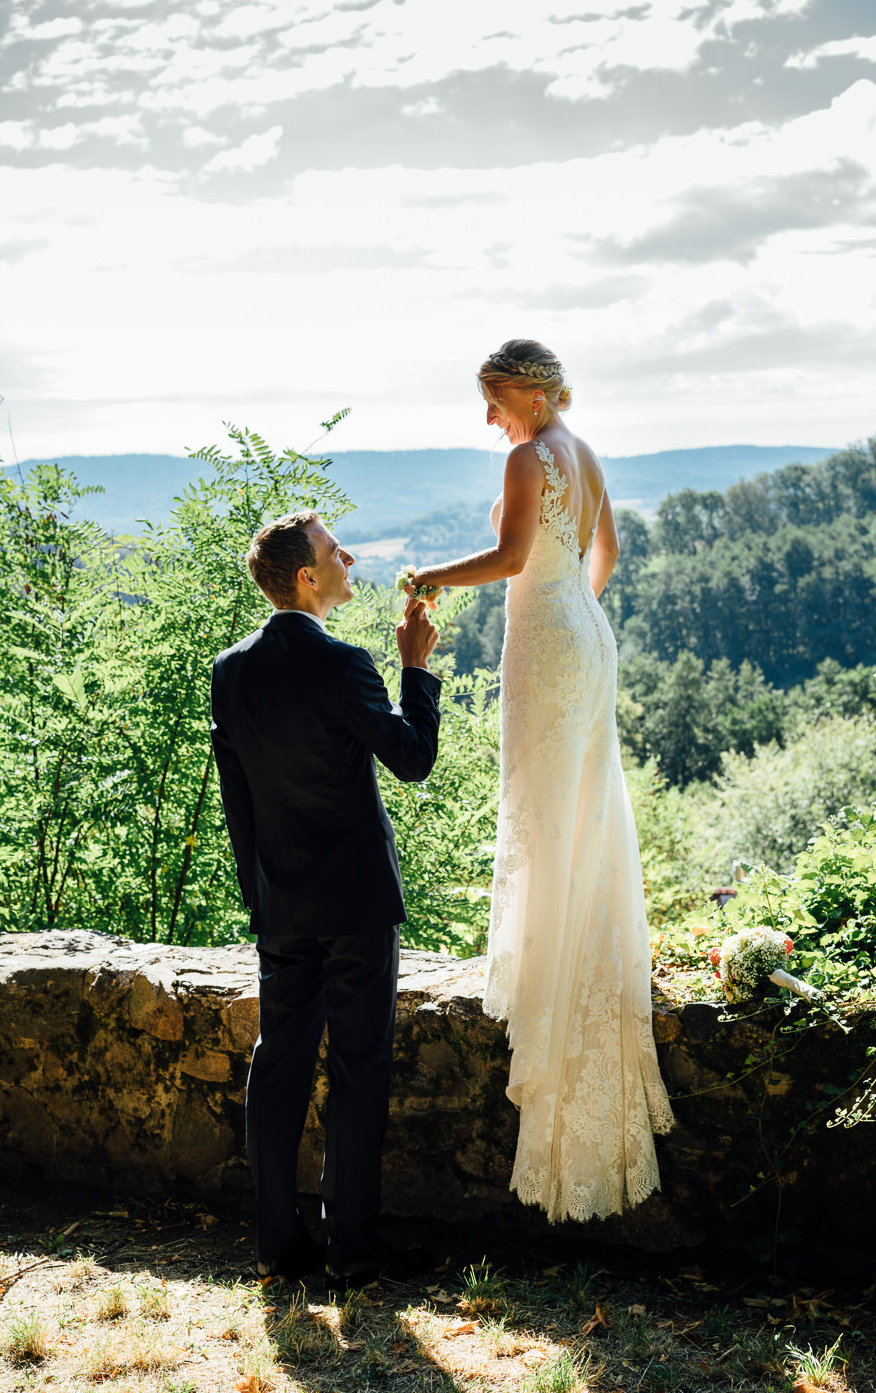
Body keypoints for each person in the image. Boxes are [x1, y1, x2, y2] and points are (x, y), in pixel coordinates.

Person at [405, 339, 673, 1221]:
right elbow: (611, 553)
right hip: (584, 635)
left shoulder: (531, 457)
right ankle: (574, 943)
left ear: (528, 391)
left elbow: (514, 558)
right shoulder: (584, 452)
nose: (489, 419)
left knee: (547, 803)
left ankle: (552, 965)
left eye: (493, 400)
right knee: (581, 803)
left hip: (551, 645)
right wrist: (578, 606)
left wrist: (433, 575)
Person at [210, 509, 441, 1286]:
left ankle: (281, 1244)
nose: (349, 555)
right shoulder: (346, 663)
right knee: (358, 1066)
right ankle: (355, 1249)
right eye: (334, 550)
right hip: (356, 903)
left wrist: (261, 895)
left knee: (278, 1066)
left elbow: (235, 800)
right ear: (308, 578)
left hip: (283, 904)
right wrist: (415, 668)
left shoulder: (230, 669)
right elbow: (411, 760)